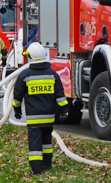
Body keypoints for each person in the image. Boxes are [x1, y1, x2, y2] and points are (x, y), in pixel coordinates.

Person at [11, 43, 69, 175]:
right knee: (47, 142)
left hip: (33, 118)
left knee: (35, 145)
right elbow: (60, 95)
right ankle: (47, 164)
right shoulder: (52, 74)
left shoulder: (25, 75)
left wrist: (17, 110)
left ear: (31, 57)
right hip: (49, 116)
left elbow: (17, 96)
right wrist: (64, 111)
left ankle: (37, 169)